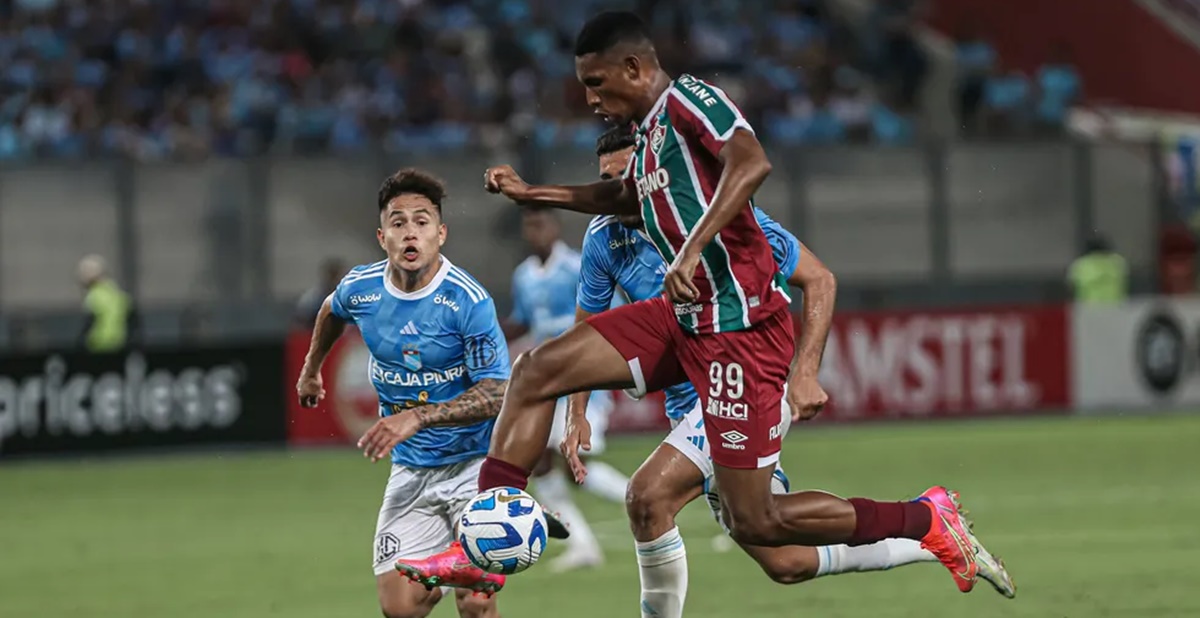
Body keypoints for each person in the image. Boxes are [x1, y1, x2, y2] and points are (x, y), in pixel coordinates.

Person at [396, 10, 1009, 602]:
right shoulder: (648, 137)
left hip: (739, 333)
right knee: (536, 372)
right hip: (682, 318)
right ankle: (484, 535)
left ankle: (924, 517)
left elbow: (752, 160)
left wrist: (693, 249)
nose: (588, 98)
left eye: (596, 83)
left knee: (761, 525)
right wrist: (535, 193)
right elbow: (625, 196)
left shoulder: (691, 102)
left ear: (635, 68)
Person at [565, 125, 1015, 614]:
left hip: (744, 383)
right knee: (784, 557)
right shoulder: (604, 238)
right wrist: (577, 409)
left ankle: (922, 520)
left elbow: (819, 279)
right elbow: (590, 328)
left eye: (625, 178)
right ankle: (929, 528)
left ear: (652, 176)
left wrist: (805, 371)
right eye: (606, 181)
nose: (615, 193)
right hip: (689, 407)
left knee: (648, 498)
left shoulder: (724, 219)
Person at [294, 169, 511, 618]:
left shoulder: (467, 300)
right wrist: (311, 370)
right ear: (382, 236)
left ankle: (467, 567)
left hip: (474, 462)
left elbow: (496, 392)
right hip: (412, 470)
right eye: (398, 222)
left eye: (422, 221)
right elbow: (331, 310)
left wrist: (419, 416)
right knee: (400, 609)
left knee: (475, 604)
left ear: (441, 234)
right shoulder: (362, 288)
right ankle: (456, 566)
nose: (410, 232)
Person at [503, 206, 628, 572]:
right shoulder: (524, 275)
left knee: (578, 465)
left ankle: (645, 500)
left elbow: (612, 313)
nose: (536, 231)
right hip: (548, 383)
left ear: (554, 227)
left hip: (583, 381)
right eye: (530, 226)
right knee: (540, 462)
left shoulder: (577, 267)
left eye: (541, 224)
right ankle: (582, 544)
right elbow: (524, 321)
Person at [76, 254, 137, 353]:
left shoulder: (94, 297)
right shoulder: (118, 294)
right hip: (120, 348)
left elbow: (89, 324)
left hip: (97, 348)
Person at [1067, 233, 1128, 304]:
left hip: (1088, 308)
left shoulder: (1080, 264)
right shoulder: (1118, 262)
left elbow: (1071, 287)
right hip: (1115, 307)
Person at [293, 257, 345, 329]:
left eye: (337, 275)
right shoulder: (313, 296)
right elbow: (302, 317)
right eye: (332, 275)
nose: (335, 279)